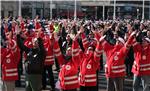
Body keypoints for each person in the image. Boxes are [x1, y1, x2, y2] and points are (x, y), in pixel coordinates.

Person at [16, 24, 46, 91]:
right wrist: (18, 35)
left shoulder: (41, 53)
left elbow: (42, 48)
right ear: (32, 42)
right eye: (34, 41)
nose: (35, 43)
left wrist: (39, 38)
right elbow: (21, 45)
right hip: (28, 75)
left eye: (36, 42)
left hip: (36, 76)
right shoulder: (29, 50)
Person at [79, 26, 103, 91]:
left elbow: (99, 44)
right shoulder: (88, 43)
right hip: (86, 63)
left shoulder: (95, 41)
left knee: (94, 80)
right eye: (89, 34)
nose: (90, 35)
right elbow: (84, 43)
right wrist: (82, 34)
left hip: (94, 63)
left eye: (91, 34)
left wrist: (97, 34)